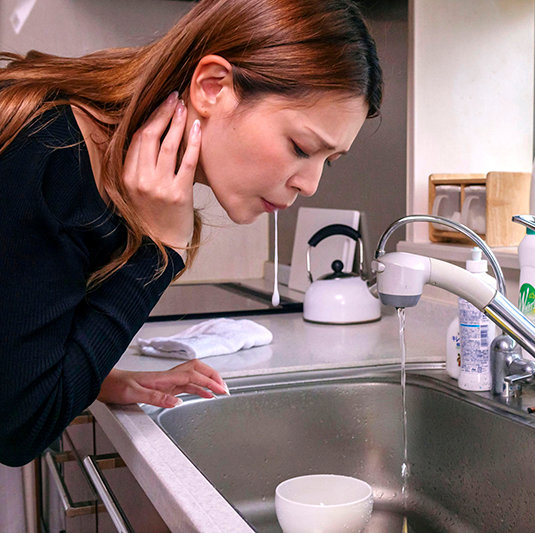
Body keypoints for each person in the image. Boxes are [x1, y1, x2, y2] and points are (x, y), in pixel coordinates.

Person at [0, 0, 382, 467]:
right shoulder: (48, 153)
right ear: (212, 87)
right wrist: (160, 249)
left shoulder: (96, 162)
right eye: (301, 147)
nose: (311, 183)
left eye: (329, 161)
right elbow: (20, 429)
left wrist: (93, 379)